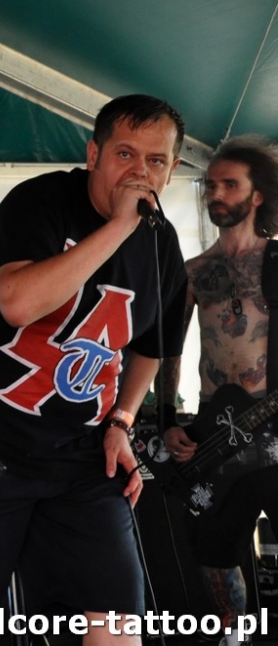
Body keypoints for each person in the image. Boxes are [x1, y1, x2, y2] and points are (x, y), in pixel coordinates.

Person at [0, 94, 189, 645]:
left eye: (155, 160)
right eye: (125, 154)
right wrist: (118, 227)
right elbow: (18, 302)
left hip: (78, 455)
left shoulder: (163, 245)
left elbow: (152, 346)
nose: (139, 172)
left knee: (117, 620)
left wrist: (122, 420)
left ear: (172, 170)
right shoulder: (40, 202)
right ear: (94, 154)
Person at [159, 135, 278, 645]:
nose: (216, 193)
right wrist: (167, 419)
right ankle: (233, 637)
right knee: (213, 550)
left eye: (230, 184)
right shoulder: (192, 272)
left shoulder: (276, 261)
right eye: (210, 185)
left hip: (271, 425)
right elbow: (167, 353)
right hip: (214, 430)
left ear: (257, 195)